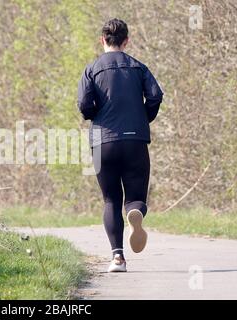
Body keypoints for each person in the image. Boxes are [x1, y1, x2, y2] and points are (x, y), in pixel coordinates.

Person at [77, 18, 163, 272]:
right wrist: (143, 117)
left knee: (110, 200)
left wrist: (95, 116)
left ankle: (118, 258)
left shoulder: (92, 69)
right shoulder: (139, 68)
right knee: (135, 197)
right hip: (135, 140)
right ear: (126, 42)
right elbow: (156, 95)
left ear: (102, 40)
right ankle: (135, 212)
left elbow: (83, 103)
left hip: (103, 142)